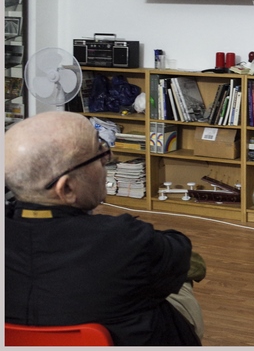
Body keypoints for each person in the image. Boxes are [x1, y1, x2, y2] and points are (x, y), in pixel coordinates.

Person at [5, 111, 206, 346]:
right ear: (66, 188)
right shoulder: (124, 239)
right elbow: (181, 254)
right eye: (99, 154)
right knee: (181, 280)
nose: (108, 159)